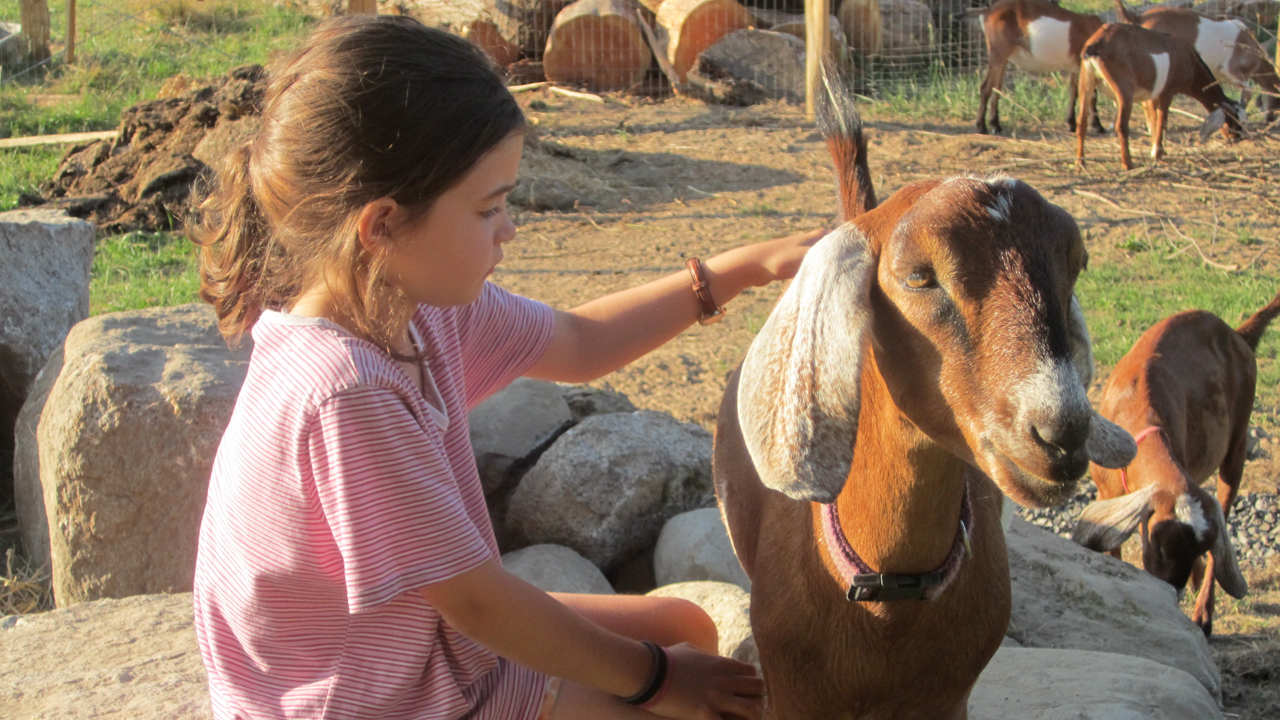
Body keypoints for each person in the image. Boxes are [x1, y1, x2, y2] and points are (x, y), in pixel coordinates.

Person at [191, 14, 822, 720]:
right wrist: (655, 681)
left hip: (415, 645)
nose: (510, 228)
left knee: (686, 627)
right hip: (370, 697)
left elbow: (581, 343)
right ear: (383, 224)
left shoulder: (417, 309)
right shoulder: (345, 393)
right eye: (489, 207)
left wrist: (745, 269)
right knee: (681, 697)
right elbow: (479, 603)